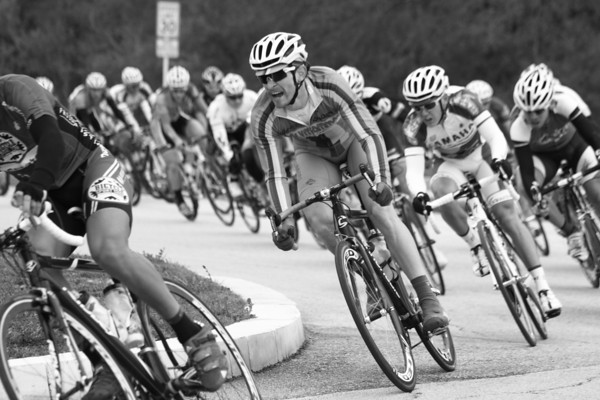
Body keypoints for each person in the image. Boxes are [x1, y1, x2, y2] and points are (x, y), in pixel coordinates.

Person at [0, 74, 226, 399]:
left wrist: (35, 184)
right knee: (40, 270)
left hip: (91, 168)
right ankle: (105, 357)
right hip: (51, 193)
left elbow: (50, 138)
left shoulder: (15, 89)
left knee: (106, 248)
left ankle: (191, 333)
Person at [248, 32, 448, 333]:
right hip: (313, 156)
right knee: (318, 219)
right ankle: (372, 279)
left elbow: (368, 133)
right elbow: (275, 172)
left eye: (277, 75)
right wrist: (284, 219)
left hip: (353, 143)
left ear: (300, 71)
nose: (270, 85)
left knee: (381, 212)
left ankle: (427, 296)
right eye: (263, 78)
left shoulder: (329, 83)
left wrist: (381, 181)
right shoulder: (263, 113)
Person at [402, 65, 561, 318]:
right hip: (450, 164)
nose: (423, 112)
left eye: (428, 105)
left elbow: (496, 137)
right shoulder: (413, 125)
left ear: (443, 97)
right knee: (439, 190)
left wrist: (499, 159)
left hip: (482, 157)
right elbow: (413, 170)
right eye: (416, 107)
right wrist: (419, 193)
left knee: (506, 214)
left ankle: (543, 287)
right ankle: (475, 245)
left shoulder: (464, 100)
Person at [337, 65, 448, 268]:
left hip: (386, 142)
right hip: (361, 149)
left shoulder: (373, 96)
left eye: (355, 96)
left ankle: (429, 244)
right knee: (368, 195)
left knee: (406, 181)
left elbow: (404, 114)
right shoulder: (334, 105)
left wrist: (421, 137)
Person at [511, 64, 600, 265]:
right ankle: (571, 231)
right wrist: (535, 191)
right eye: (527, 112)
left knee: (596, 193)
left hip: (575, 148)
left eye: (538, 111)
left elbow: (591, 133)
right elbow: (527, 171)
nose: (532, 117)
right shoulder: (518, 126)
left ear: (549, 104)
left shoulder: (564, 102)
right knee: (524, 185)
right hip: (545, 159)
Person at [150, 65, 209, 220]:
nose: (179, 94)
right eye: (175, 91)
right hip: (161, 126)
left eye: (182, 90)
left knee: (200, 133)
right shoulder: (162, 99)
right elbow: (166, 126)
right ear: (170, 88)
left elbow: (206, 110)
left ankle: (201, 168)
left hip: (177, 119)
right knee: (173, 162)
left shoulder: (192, 89)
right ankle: (179, 198)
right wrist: (176, 140)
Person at [206, 73, 261, 198]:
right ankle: (233, 179)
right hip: (226, 132)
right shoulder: (216, 107)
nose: (237, 100)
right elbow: (220, 135)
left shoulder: (252, 97)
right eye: (232, 97)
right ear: (225, 95)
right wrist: (228, 154)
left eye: (239, 96)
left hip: (245, 128)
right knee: (235, 156)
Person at [68, 72, 139, 155]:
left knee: (99, 130)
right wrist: (93, 134)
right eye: (93, 90)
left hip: (89, 108)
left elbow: (116, 110)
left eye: (99, 90)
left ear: (104, 88)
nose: (96, 93)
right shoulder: (81, 97)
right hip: (76, 111)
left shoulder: (106, 92)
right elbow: (85, 119)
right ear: (88, 89)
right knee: (86, 132)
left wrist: (127, 125)